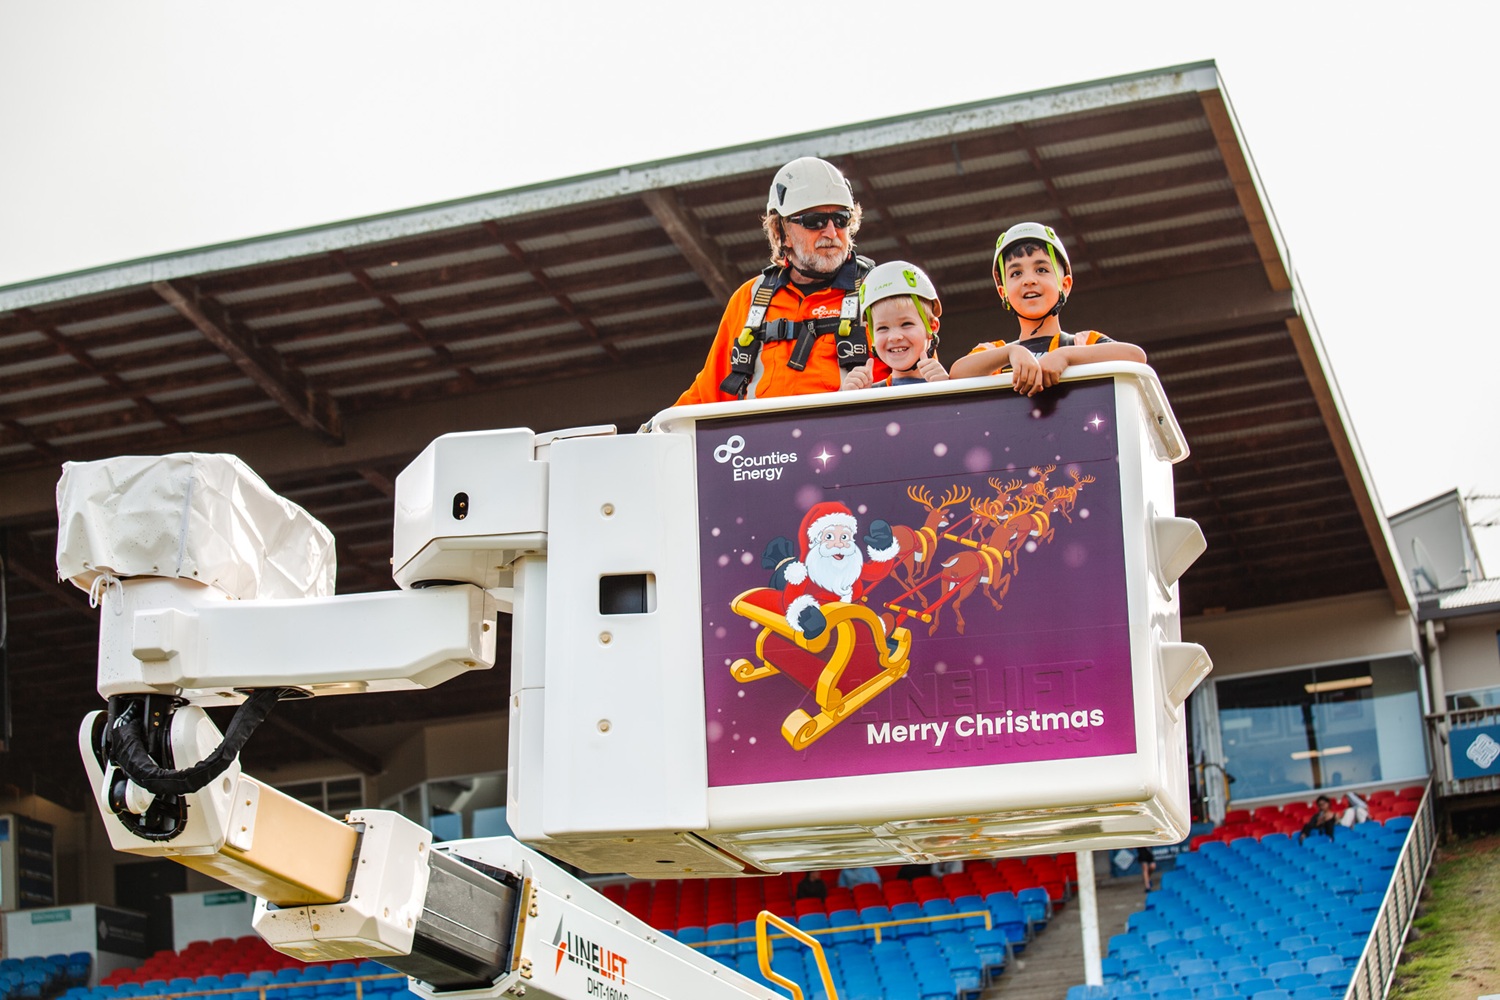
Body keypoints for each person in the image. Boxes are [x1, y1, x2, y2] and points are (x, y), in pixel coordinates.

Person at [675, 157, 887, 405]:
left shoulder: (880, 289)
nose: (831, 232)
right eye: (814, 221)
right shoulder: (750, 299)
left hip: (853, 439)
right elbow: (704, 397)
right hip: (763, 442)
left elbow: (916, 380)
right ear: (780, 232)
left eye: (841, 220)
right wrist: (653, 436)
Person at [949, 222, 1146, 394]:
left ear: (1065, 285)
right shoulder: (995, 352)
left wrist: (1065, 356)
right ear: (1003, 293)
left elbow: (1135, 356)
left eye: (1041, 270)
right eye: (1016, 273)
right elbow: (957, 373)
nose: (1029, 280)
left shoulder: (1082, 343)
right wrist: (1011, 353)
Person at [841, 261, 948, 389]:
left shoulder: (955, 385)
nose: (894, 337)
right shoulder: (869, 394)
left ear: (932, 327)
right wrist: (851, 400)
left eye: (906, 324)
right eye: (883, 328)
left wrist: (948, 392)